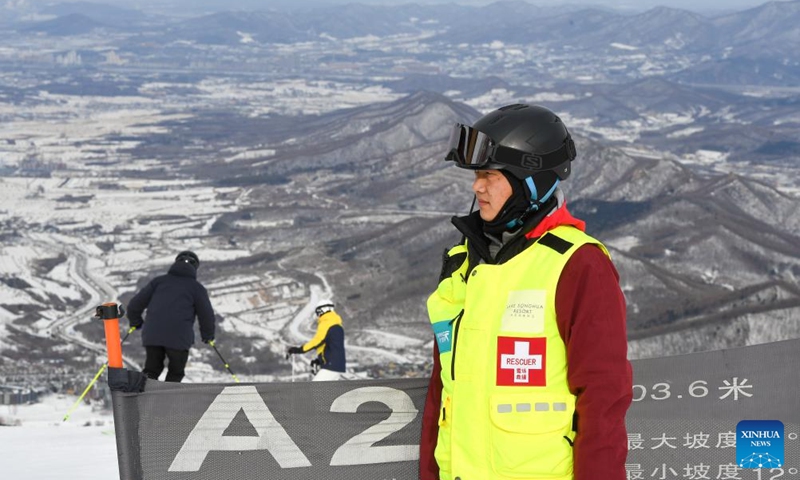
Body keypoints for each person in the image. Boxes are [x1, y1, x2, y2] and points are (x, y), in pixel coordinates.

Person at [419, 104, 632, 480]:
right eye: (477, 175)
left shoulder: (578, 265)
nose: (477, 187)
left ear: (530, 181)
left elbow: (603, 397)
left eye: (489, 174)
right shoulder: (462, 262)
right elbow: (442, 392)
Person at [126, 250, 216, 383]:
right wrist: (207, 335)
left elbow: (134, 305)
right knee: (176, 372)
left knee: (151, 369)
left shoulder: (158, 282)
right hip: (179, 338)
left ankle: (145, 393)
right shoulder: (197, 288)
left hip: (153, 334)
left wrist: (136, 322)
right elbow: (206, 315)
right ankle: (169, 395)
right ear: (195, 268)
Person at [285, 299, 346, 381]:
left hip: (330, 366)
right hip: (337, 365)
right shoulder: (337, 324)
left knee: (315, 387)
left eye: (318, 311)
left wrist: (299, 350)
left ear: (323, 309)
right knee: (327, 388)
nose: (318, 314)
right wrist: (319, 360)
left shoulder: (326, 322)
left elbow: (317, 341)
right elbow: (331, 347)